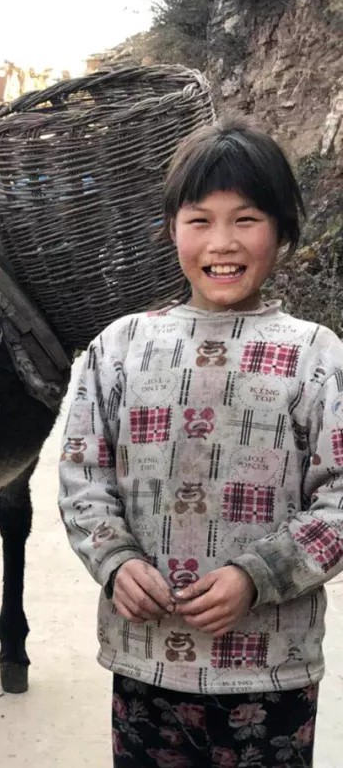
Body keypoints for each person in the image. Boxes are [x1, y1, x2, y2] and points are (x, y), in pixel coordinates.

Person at [59, 119, 343, 767]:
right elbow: (83, 479)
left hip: (272, 672)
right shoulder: (120, 348)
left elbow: (340, 501)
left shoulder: (317, 357)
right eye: (199, 220)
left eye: (246, 220)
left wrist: (257, 574)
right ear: (171, 230)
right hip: (146, 662)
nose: (222, 242)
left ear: (283, 231)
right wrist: (115, 563)